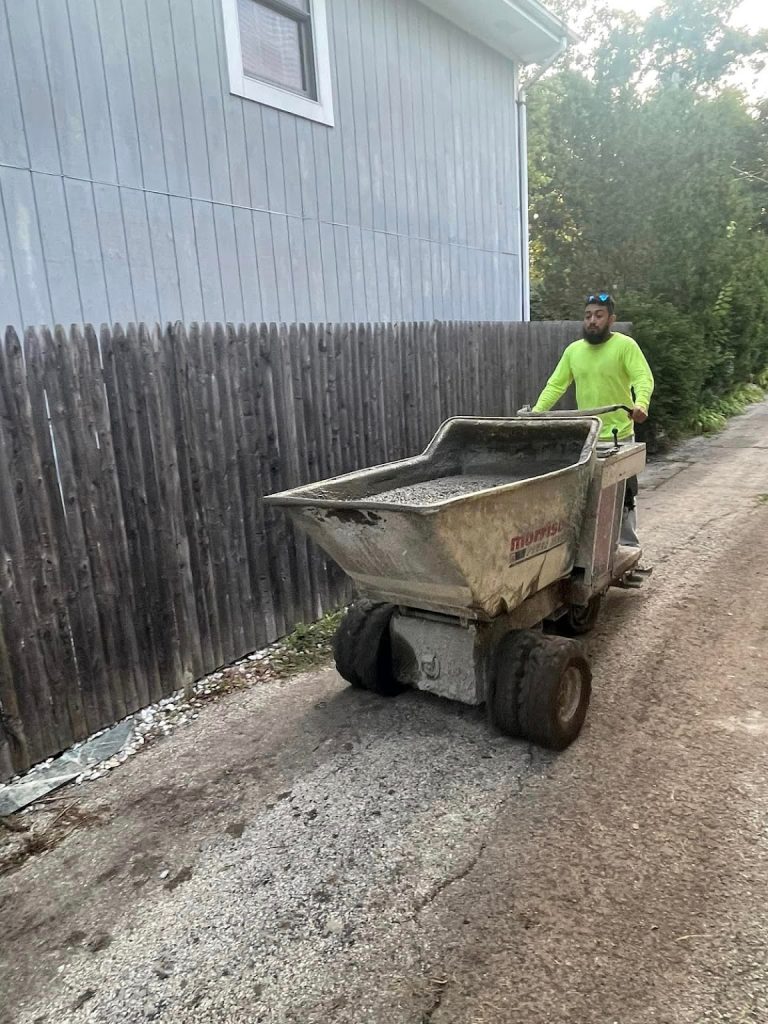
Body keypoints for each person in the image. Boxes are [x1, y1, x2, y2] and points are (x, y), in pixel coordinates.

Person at [530, 292, 654, 551]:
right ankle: (590, 550)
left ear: (611, 319)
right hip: (588, 436)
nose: (592, 321)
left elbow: (643, 378)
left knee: (623, 495)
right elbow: (555, 385)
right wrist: (535, 414)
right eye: (588, 316)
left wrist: (641, 404)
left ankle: (628, 549)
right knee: (586, 498)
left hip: (620, 437)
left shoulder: (625, 346)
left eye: (598, 315)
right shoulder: (574, 351)